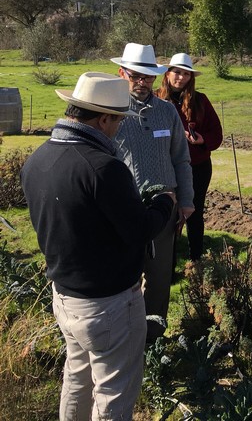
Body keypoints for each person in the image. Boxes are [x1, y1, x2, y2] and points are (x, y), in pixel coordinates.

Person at [21, 72, 175, 420]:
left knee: (77, 380)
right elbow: (140, 230)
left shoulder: (39, 159)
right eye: (118, 119)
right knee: (113, 397)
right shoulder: (103, 168)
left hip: (65, 297)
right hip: (109, 306)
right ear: (103, 118)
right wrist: (164, 202)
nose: (119, 127)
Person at [111, 42, 194, 342]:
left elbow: (181, 159)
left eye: (147, 76)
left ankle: (153, 339)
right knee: (123, 277)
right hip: (124, 209)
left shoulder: (167, 112)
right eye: (135, 76)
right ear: (122, 73)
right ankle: (124, 337)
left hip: (165, 208)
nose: (142, 82)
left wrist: (186, 201)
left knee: (159, 278)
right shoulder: (111, 113)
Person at [156, 53, 223, 261]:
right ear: (167, 74)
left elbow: (217, 134)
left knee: (193, 211)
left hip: (197, 166)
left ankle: (196, 258)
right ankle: (168, 261)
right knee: (168, 213)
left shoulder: (200, 101)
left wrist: (202, 140)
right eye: (177, 72)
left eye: (186, 74)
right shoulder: (155, 99)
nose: (181, 78)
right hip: (165, 167)